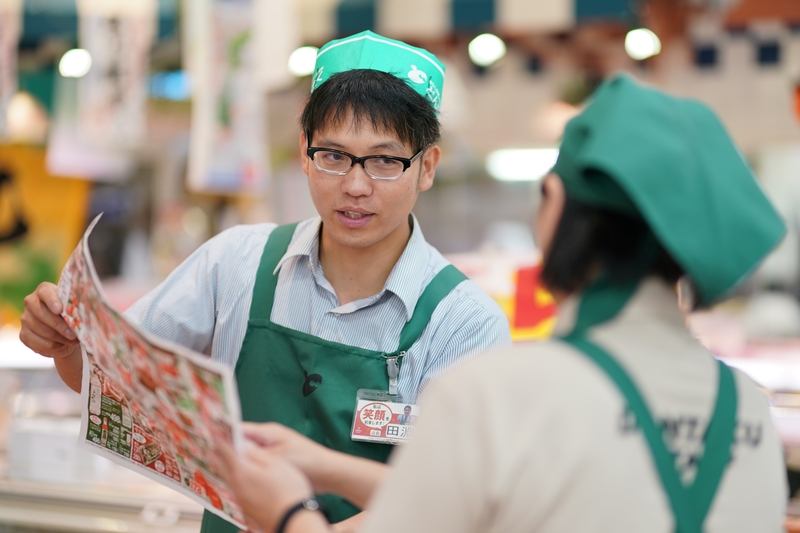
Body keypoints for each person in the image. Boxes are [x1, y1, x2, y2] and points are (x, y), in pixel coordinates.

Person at [212, 74, 789, 533]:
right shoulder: (749, 410)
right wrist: (324, 466)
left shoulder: (500, 394)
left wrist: (289, 512)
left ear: (555, 206)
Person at [17, 30, 511, 532]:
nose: (355, 186)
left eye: (385, 161)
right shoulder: (237, 263)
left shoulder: (464, 324)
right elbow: (111, 386)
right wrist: (64, 346)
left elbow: (452, 505)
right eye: (334, 156)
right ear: (304, 152)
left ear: (426, 166)